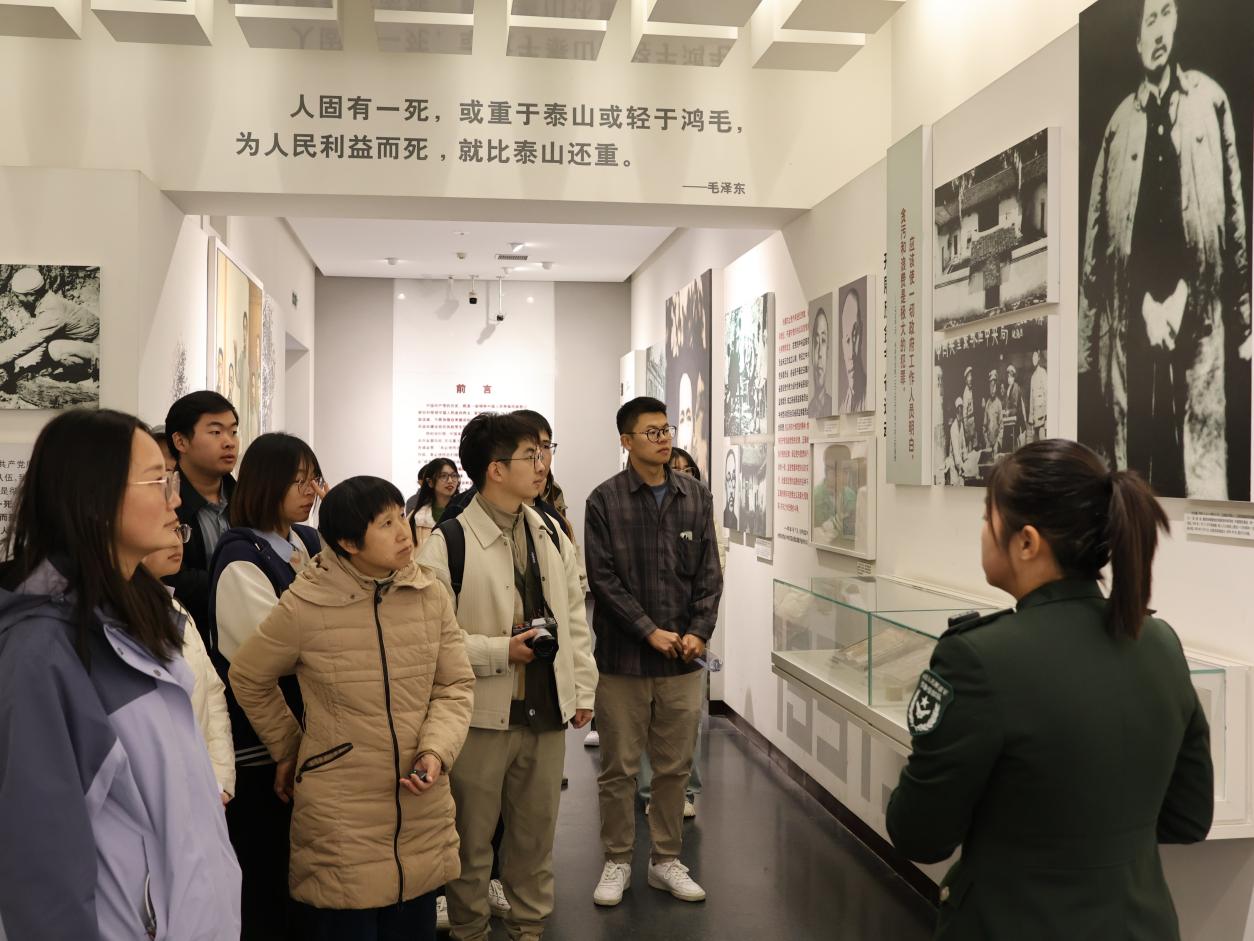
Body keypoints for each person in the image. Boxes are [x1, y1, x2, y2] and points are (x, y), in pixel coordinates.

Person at [886, 439, 1213, 939]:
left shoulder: (978, 658)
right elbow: (1188, 817)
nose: (982, 532)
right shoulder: (1161, 643)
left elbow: (918, 834)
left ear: (1027, 543)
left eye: (987, 517)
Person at [0, 409, 241, 938]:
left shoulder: (146, 615)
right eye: (158, 481)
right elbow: (39, 868)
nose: (174, 500)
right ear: (95, 497)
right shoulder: (43, 653)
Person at [230, 476, 475, 941]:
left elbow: (454, 684)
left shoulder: (429, 594)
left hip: (420, 805)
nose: (403, 532)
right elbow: (248, 675)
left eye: (401, 516)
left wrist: (436, 750)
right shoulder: (306, 603)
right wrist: (291, 747)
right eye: (386, 524)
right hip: (341, 814)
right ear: (347, 542)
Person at [417, 412, 597, 941]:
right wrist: (501, 651)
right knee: (471, 844)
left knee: (535, 840)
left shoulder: (549, 531)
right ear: (495, 469)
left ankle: (529, 930)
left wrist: (582, 689)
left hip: (545, 712)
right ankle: (470, 930)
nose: (543, 465)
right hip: (479, 719)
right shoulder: (447, 543)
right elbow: (431, 641)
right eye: (530, 456)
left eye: (544, 453)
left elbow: (574, 616)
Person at [1079, 0, 1250, 499]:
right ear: (1136, 41)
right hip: (1133, 323)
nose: (1158, 31)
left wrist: (1242, 320)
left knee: (1203, 471)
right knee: (1135, 478)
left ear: (1177, 23)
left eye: (1166, 13)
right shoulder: (1119, 125)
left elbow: (1234, 217)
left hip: (1199, 315)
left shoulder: (1211, 102)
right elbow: (1097, 245)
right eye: (1148, 21)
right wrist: (1107, 331)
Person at [586, 396, 722, 907]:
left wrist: (699, 631)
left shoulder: (695, 497)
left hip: (681, 662)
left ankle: (666, 859)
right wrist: (649, 632)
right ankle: (618, 859)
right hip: (623, 661)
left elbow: (709, 573)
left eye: (666, 429)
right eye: (651, 432)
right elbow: (603, 580)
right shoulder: (605, 501)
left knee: (674, 768)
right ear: (626, 441)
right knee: (618, 770)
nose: (663, 439)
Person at [208, 431, 326, 941]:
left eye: (313, 479)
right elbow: (269, 658)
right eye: (298, 481)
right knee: (266, 875)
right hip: (263, 744)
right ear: (266, 483)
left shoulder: (308, 542)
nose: (310, 491)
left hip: (307, 732)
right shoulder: (242, 555)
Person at [142, 524, 236, 804]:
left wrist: (220, 780)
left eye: (178, 531)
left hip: (203, 787)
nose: (177, 543)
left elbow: (212, 693)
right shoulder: (110, 618)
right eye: (164, 531)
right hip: (160, 797)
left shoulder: (176, 608)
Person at [164, 390, 240, 640]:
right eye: (216, 432)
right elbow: (171, 576)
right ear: (181, 442)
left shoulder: (247, 499)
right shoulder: (164, 503)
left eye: (233, 431)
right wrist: (240, 586)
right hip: (187, 637)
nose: (229, 442)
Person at [0, 266, 100, 387]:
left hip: (100, 347)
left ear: (31, 296)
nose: (16, 300)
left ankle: (91, 375)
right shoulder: (46, 302)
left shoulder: (52, 311)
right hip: (86, 342)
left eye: (18, 296)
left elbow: (27, 341)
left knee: (55, 348)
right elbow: (37, 338)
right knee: (51, 347)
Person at [407, 457, 460, 547]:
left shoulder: (465, 511)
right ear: (430, 482)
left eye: (454, 475)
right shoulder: (416, 517)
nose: (450, 480)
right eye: (443, 476)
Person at [837, 286, 867, 413]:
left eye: (855, 335)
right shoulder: (842, 409)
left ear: (862, 331)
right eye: (847, 339)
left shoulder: (870, 395)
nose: (851, 354)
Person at [808, 305, 833, 418]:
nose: (819, 353)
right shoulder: (809, 410)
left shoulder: (833, 406)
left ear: (827, 351)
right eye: (816, 342)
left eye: (823, 341)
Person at [982, 368, 1003, 455]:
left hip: (996, 445)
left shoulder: (999, 403)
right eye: (991, 386)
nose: (993, 389)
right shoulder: (987, 404)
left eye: (994, 386)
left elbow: (1001, 427)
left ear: (996, 388)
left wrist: (997, 443)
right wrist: (986, 441)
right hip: (988, 445)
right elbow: (984, 427)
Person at [1029, 350, 1048, 443]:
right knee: (1035, 444)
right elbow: (1031, 399)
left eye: (1035, 356)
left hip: (1042, 416)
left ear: (1039, 358)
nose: (1034, 359)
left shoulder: (1043, 372)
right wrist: (1031, 419)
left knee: (1043, 443)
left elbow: (1046, 394)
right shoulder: (1033, 377)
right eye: (1033, 357)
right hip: (1035, 418)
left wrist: (1046, 416)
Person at [722, 448, 739, 530]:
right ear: (725, 484)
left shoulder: (736, 520)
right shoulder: (722, 517)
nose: (732, 485)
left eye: (734, 477)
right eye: (728, 478)